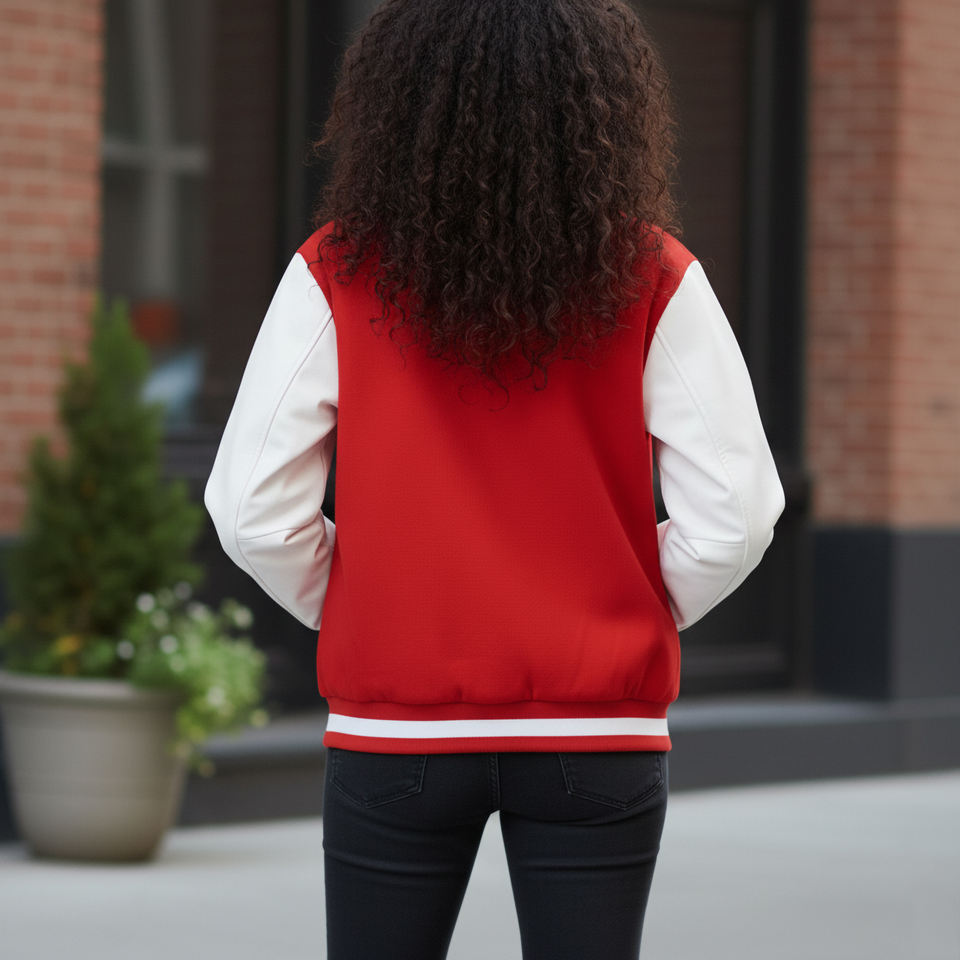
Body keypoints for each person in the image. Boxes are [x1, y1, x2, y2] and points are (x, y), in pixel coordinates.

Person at [204, 1, 786, 957]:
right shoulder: (655, 274)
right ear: (600, 105)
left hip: (395, 731)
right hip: (596, 736)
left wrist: (370, 607)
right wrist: (620, 609)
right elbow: (739, 517)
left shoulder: (337, 271)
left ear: (397, 98)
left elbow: (251, 514)